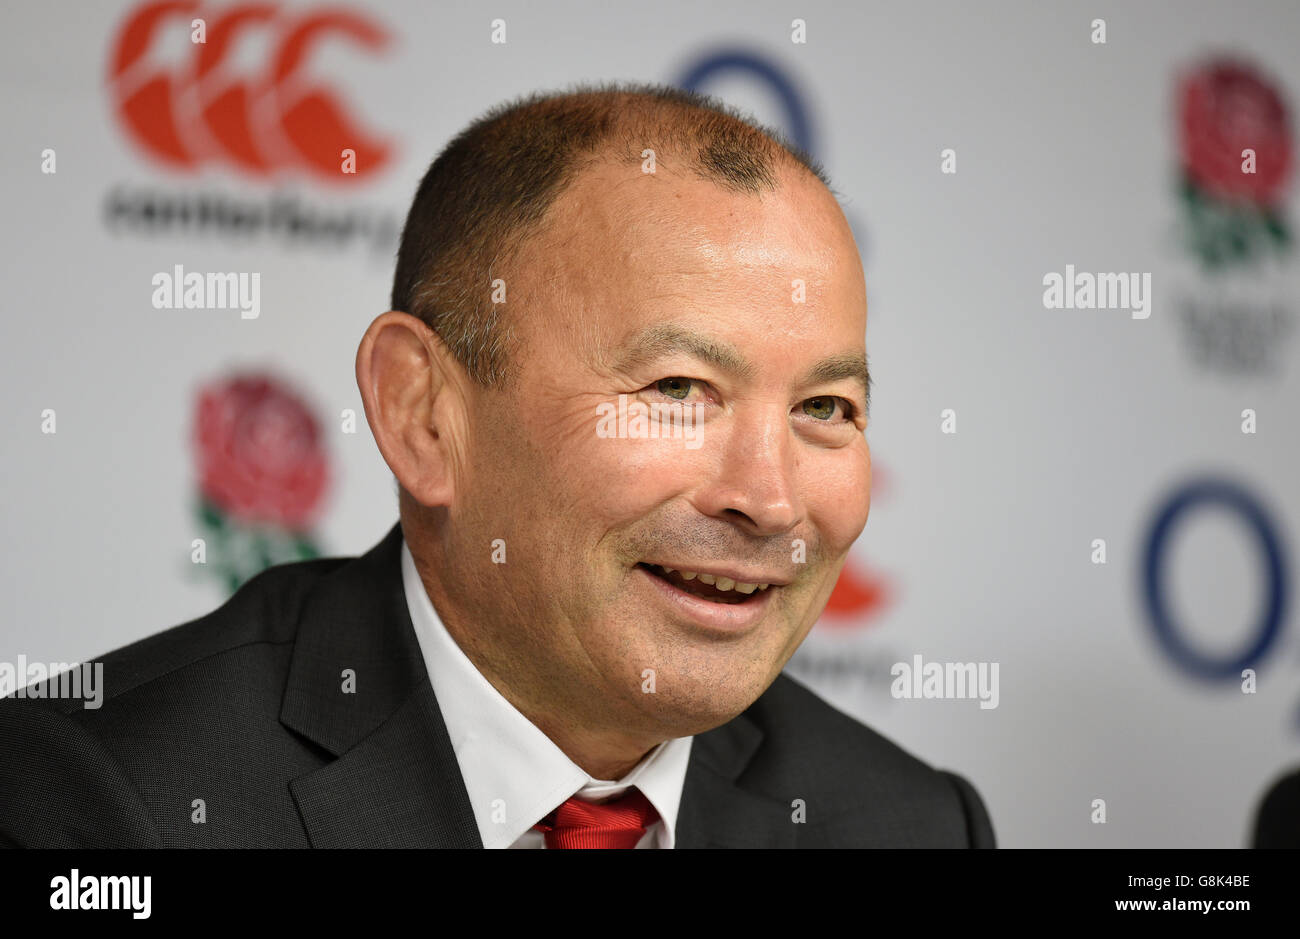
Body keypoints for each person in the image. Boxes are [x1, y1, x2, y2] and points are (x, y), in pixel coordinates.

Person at [0, 83, 994, 848]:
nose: (769, 499)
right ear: (423, 415)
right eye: (676, 391)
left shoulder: (908, 825)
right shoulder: (101, 801)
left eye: (826, 409)